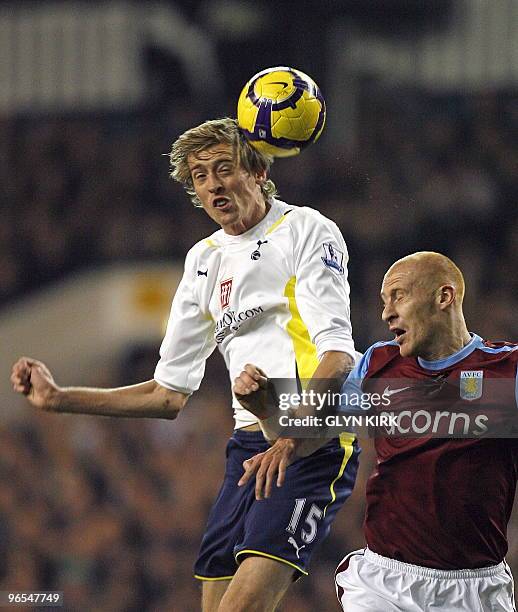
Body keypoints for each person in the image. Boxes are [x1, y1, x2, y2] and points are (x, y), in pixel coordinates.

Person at [11, 118, 360, 612]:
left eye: (224, 168)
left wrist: (292, 433)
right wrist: (59, 398)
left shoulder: (305, 229)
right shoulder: (203, 261)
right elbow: (167, 394)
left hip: (312, 440)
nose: (213, 184)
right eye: (199, 175)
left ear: (259, 170)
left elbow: (338, 354)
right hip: (246, 448)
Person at [235, 251, 518, 611]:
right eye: (384, 302)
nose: (387, 313)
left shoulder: (506, 371)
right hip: (386, 582)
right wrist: (268, 413)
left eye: (399, 296)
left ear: (443, 297)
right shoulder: (379, 366)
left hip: (476, 588)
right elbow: (313, 435)